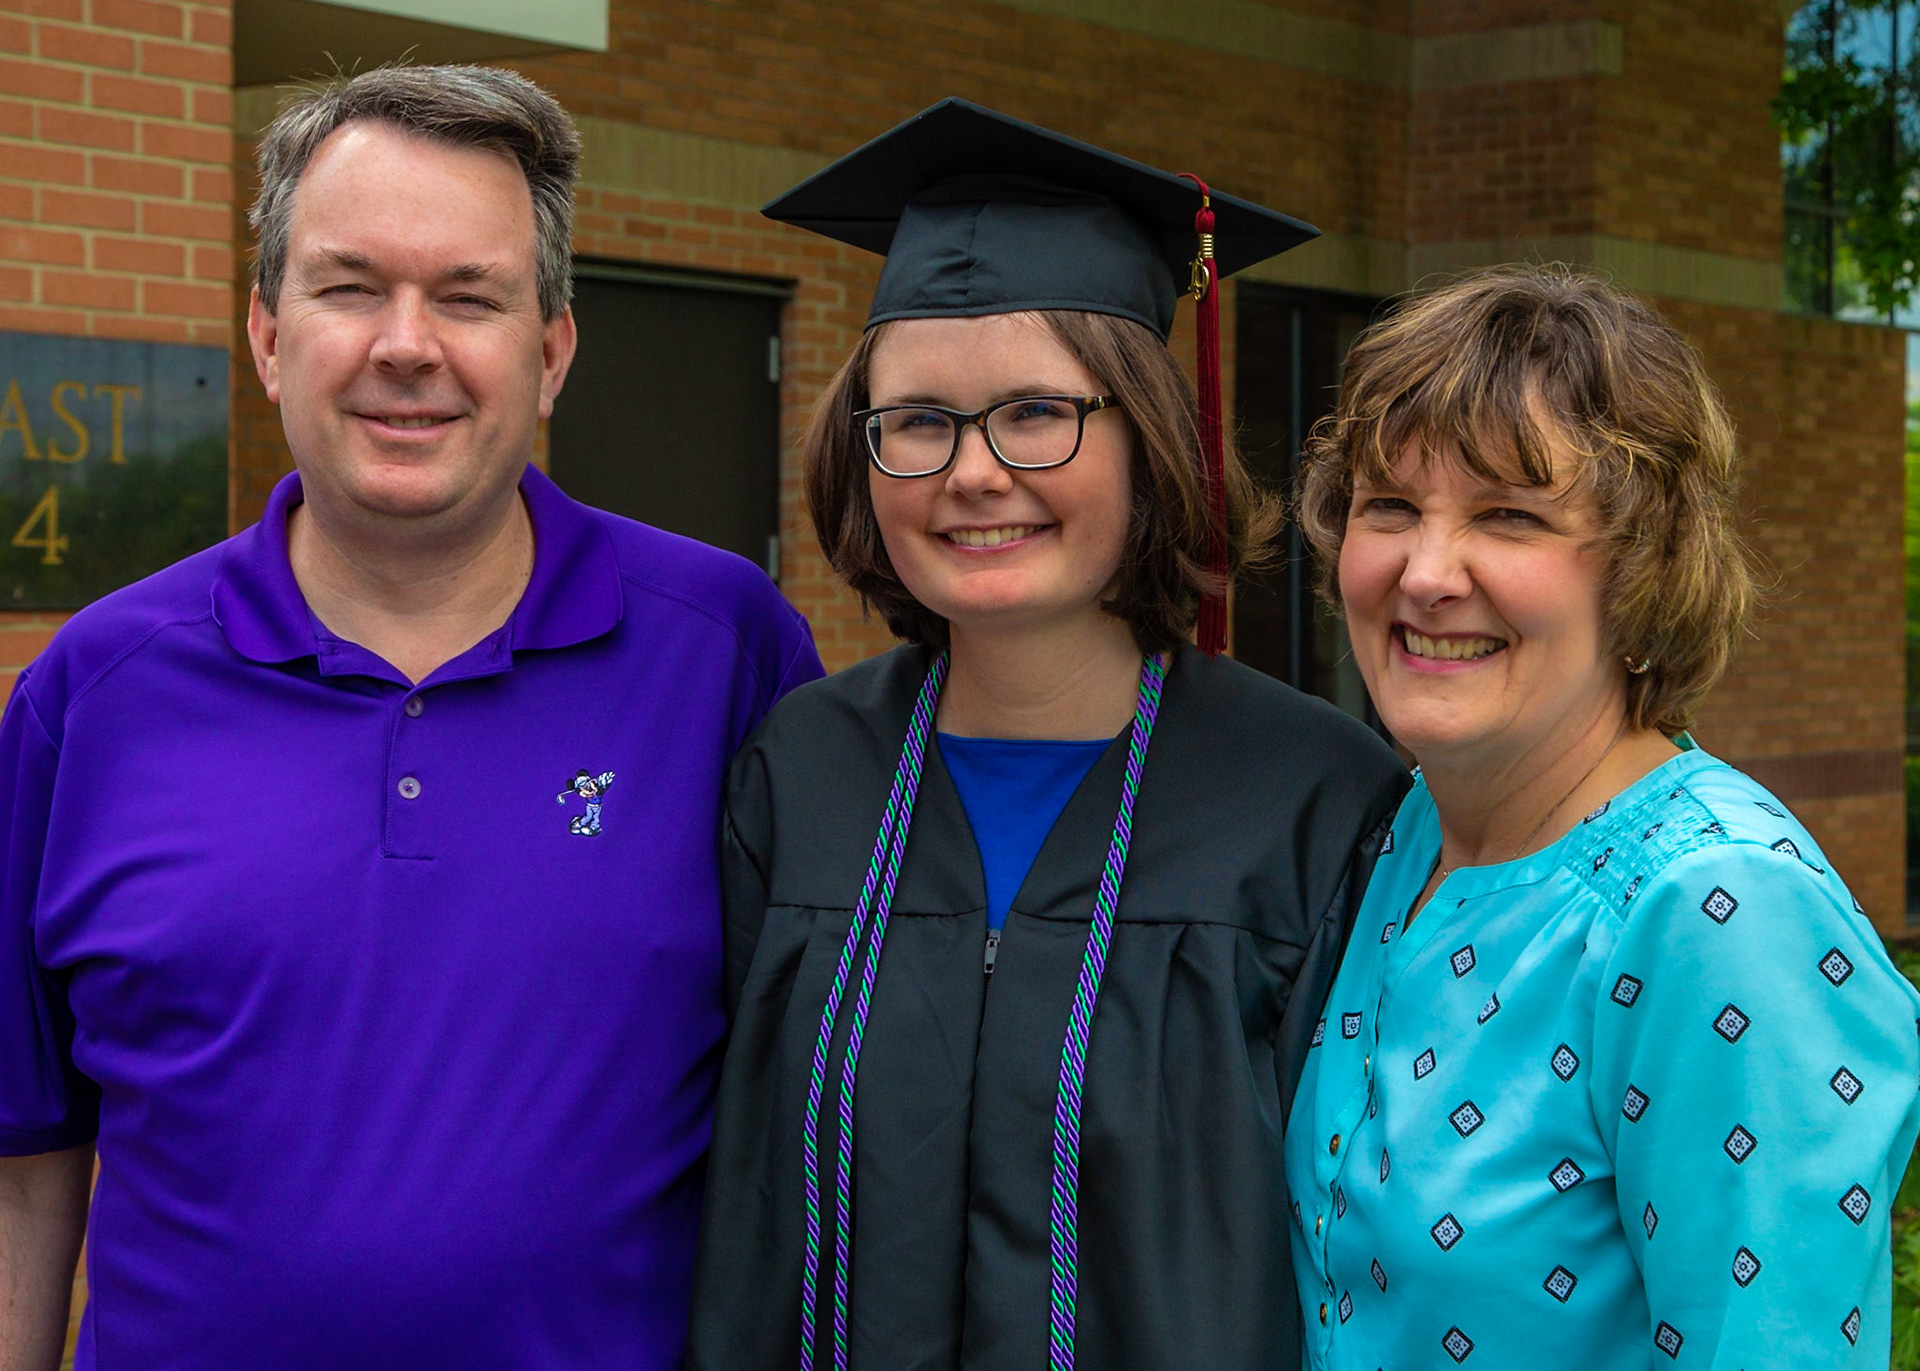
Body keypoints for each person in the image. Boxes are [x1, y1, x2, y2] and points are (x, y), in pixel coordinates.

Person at [0, 65, 821, 1371]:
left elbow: (816, 1113)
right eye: (349, 284)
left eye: (468, 294)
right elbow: (27, 1157)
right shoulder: (93, 691)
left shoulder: (729, 654)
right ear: (268, 333)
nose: (406, 343)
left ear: (550, 350)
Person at [687, 99, 1410, 1371]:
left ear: (1152, 440)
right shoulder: (799, 775)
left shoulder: (1317, 801)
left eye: (1037, 412)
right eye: (915, 422)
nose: (972, 472)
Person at [1284, 265, 1920, 1368]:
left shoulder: (1719, 914)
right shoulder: (1413, 831)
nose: (1427, 573)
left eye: (1510, 518)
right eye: (1391, 507)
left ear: (1642, 570)